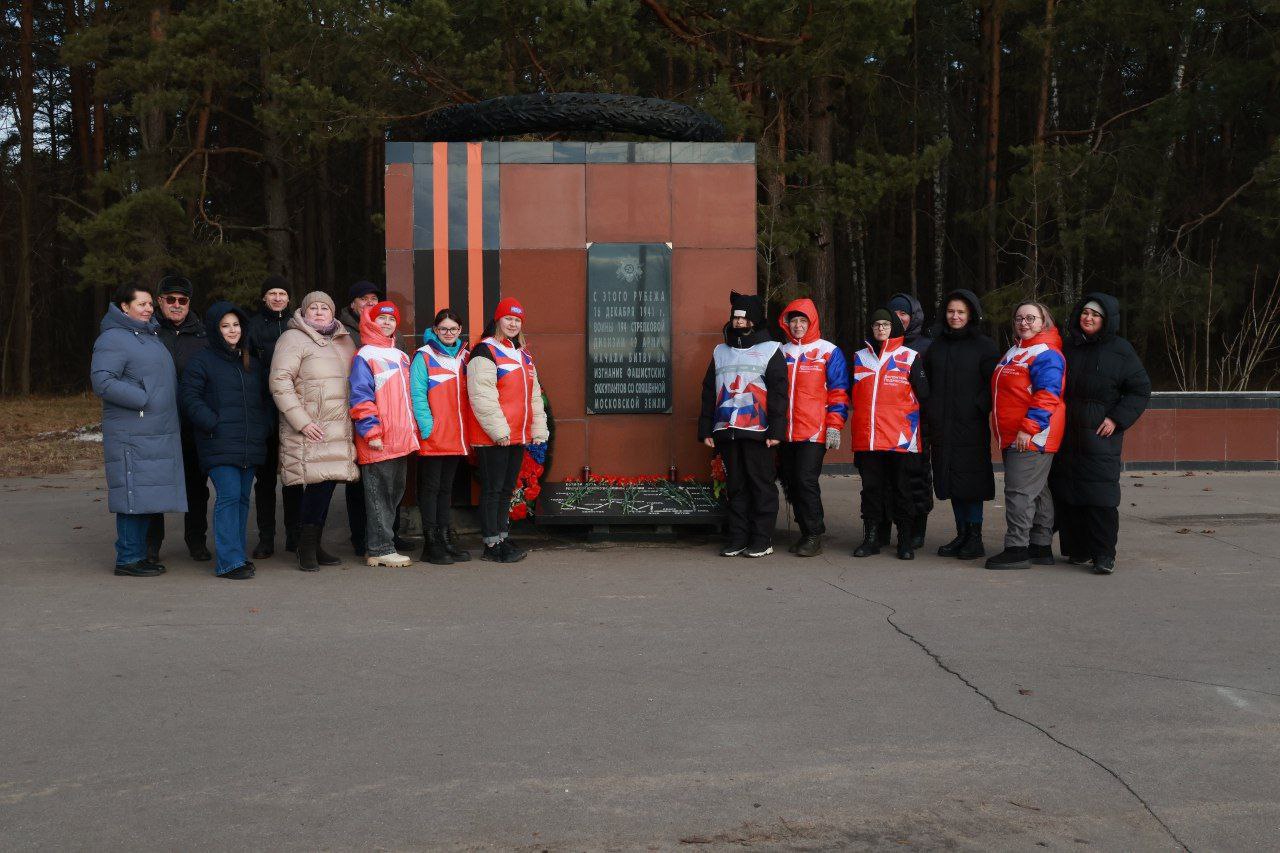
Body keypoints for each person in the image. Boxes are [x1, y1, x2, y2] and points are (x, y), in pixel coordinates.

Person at [1050, 293, 1151, 574]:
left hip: (1100, 435)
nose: (1088, 318)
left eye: (1095, 315)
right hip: (1067, 434)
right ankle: (1077, 550)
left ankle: (1104, 554)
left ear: (1107, 320)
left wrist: (1117, 419)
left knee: (1100, 497)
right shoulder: (1067, 347)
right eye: (1085, 313)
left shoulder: (1121, 350)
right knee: (1068, 494)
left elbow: (1140, 389)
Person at [90, 284, 187, 577]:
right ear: (123, 307)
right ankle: (128, 558)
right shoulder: (113, 339)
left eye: (149, 304)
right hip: (133, 431)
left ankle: (139, 554)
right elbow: (102, 381)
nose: (148, 309)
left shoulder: (149, 336)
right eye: (141, 304)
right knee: (133, 496)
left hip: (156, 430)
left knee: (146, 495)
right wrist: (142, 396)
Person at [179, 302, 273, 579]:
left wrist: (263, 427)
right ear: (214, 329)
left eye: (236, 325)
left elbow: (265, 401)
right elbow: (189, 398)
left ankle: (237, 555)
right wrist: (213, 423)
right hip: (218, 442)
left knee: (243, 498)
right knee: (229, 496)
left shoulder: (251, 362)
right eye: (225, 326)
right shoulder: (202, 360)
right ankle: (228, 562)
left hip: (249, 441)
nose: (232, 330)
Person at [269, 291, 359, 571]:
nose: (319, 312)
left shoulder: (344, 341)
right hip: (311, 427)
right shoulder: (292, 339)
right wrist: (301, 421)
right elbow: (280, 381)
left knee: (327, 484)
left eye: (325, 308)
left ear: (333, 313)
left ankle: (314, 543)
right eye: (314, 308)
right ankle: (304, 546)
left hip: (338, 426)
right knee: (315, 488)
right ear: (304, 312)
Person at [698, 292, 788, 558]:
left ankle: (762, 539)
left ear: (755, 319)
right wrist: (706, 428)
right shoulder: (720, 351)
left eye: (744, 317)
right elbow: (707, 391)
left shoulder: (772, 349)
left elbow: (779, 393)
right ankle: (738, 537)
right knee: (735, 486)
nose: (738, 322)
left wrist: (776, 430)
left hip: (759, 431)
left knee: (760, 485)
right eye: (735, 317)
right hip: (726, 429)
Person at [466, 298, 550, 563]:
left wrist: (537, 429)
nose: (513, 323)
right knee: (492, 489)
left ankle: (501, 536)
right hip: (495, 437)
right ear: (498, 320)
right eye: (508, 318)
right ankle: (491, 544)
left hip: (517, 435)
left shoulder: (522, 354)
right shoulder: (485, 351)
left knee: (506, 489)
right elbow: (481, 396)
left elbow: (534, 396)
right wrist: (499, 431)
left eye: (517, 320)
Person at [920, 289, 1001, 560]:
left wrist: (979, 406)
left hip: (970, 425)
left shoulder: (985, 346)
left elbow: (996, 384)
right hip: (942, 425)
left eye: (961, 312)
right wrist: (930, 408)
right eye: (951, 311)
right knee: (951, 479)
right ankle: (961, 533)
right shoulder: (937, 345)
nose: (955, 316)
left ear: (971, 314)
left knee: (971, 482)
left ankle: (975, 537)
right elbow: (926, 380)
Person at [986, 302, 1066, 570]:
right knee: (1037, 490)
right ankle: (1040, 547)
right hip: (1015, 434)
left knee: (1019, 491)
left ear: (1044, 321)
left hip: (1032, 434)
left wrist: (1028, 428)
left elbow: (1048, 395)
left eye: (1031, 318)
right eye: (1019, 318)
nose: (1024, 323)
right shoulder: (1017, 350)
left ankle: (1017, 548)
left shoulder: (1046, 353)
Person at [849, 308, 929, 560]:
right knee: (871, 489)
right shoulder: (860, 357)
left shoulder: (909, 356)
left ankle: (904, 540)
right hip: (868, 436)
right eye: (876, 324)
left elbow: (923, 394)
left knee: (902, 489)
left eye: (885, 324)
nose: (880, 328)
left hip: (900, 438)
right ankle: (871, 538)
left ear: (894, 327)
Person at [775, 298, 848, 558]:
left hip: (814, 431)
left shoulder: (828, 351)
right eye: (793, 320)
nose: (797, 326)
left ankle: (815, 534)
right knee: (791, 482)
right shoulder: (779, 352)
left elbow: (839, 392)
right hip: (785, 432)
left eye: (802, 321)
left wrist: (834, 426)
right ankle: (805, 531)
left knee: (806, 481)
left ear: (812, 322)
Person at [349, 301, 419, 568]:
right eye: (382, 319)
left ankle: (380, 546)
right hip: (378, 440)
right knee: (379, 496)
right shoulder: (365, 355)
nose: (387, 323)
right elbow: (360, 397)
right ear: (371, 322)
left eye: (391, 320)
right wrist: (370, 432)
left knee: (392, 495)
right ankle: (380, 547)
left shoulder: (400, 355)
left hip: (400, 439)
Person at [149, 274, 210, 563]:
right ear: (159, 301)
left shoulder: (204, 335)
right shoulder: (147, 332)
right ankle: (152, 545)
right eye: (170, 299)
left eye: (182, 300)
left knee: (196, 487)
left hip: (191, 423)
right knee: (155, 485)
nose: (176, 305)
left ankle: (196, 540)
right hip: (156, 423)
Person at [245, 274, 301, 559]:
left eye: (282, 293)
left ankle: (294, 535)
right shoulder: (252, 327)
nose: (278, 297)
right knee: (265, 479)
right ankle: (266, 537)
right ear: (264, 297)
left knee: (293, 477)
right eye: (272, 293)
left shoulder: (298, 325)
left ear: (289, 298)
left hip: (294, 411)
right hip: (263, 409)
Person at [411, 309, 472, 565]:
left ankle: (446, 538)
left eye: (453, 329)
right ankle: (431, 543)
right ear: (435, 331)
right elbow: (417, 393)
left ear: (460, 331)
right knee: (431, 488)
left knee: (446, 489)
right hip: (435, 434)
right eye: (443, 329)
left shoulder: (465, 357)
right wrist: (427, 427)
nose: (448, 333)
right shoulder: (423, 356)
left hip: (457, 435)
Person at [338, 280, 384, 555]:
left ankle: (385, 533)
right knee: (358, 480)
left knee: (385, 478)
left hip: (388, 414)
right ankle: (360, 536)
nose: (370, 303)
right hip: (355, 412)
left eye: (374, 298)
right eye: (364, 298)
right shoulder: (342, 332)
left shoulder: (389, 328)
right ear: (353, 303)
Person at [887, 292, 934, 548]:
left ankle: (917, 527)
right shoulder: (877, 343)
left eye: (904, 313)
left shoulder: (925, 347)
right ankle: (884, 527)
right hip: (885, 426)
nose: (898, 318)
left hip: (916, 425)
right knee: (886, 480)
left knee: (916, 478)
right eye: (893, 313)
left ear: (913, 316)